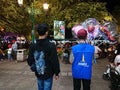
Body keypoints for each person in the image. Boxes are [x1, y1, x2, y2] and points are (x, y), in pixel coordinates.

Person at [27, 23, 60, 90]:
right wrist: (57, 72)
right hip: (48, 73)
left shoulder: (33, 45)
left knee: (40, 87)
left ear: (37, 32)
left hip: (38, 72)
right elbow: (54, 61)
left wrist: (35, 64)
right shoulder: (51, 45)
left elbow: (29, 61)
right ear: (46, 33)